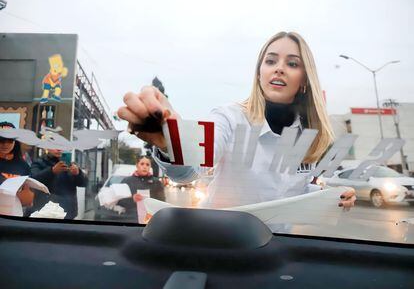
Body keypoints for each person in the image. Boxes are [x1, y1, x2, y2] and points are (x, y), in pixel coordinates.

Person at [117, 31, 356, 210]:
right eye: (271, 61)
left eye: (292, 63)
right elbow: (191, 170)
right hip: (218, 244)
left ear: (305, 79)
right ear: (259, 73)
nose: (279, 69)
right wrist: (171, 142)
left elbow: (295, 189)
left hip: (276, 250)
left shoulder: (307, 134)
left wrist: (333, 197)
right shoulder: (229, 116)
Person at [30, 149, 87, 219]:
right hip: (46, 212)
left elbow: (83, 183)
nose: (58, 149)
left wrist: (78, 174)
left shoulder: (70, 163)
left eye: (61, 147)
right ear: (47, 147)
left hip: (68, 212)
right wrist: (52, 171)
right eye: (55, 146)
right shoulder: (39, 162)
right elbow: (33, 180)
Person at [117, 155, 165, 223]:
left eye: (147, 164)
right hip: (130, 220)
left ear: (150, 166)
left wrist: (151, 203)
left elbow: (162, 202)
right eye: (142, 164)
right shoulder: (127, 181)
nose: (145, 167)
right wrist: (132, 199)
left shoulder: (156, 182)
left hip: (150, 221)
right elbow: (119, 201)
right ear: (137, 165)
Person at [0, 122, 34, 208]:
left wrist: (30, 197)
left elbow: (28, 191)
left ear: (15, 142)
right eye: (1, 140)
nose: (5, 144)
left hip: (15, 213)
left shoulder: (24, 166)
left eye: (10, 140)